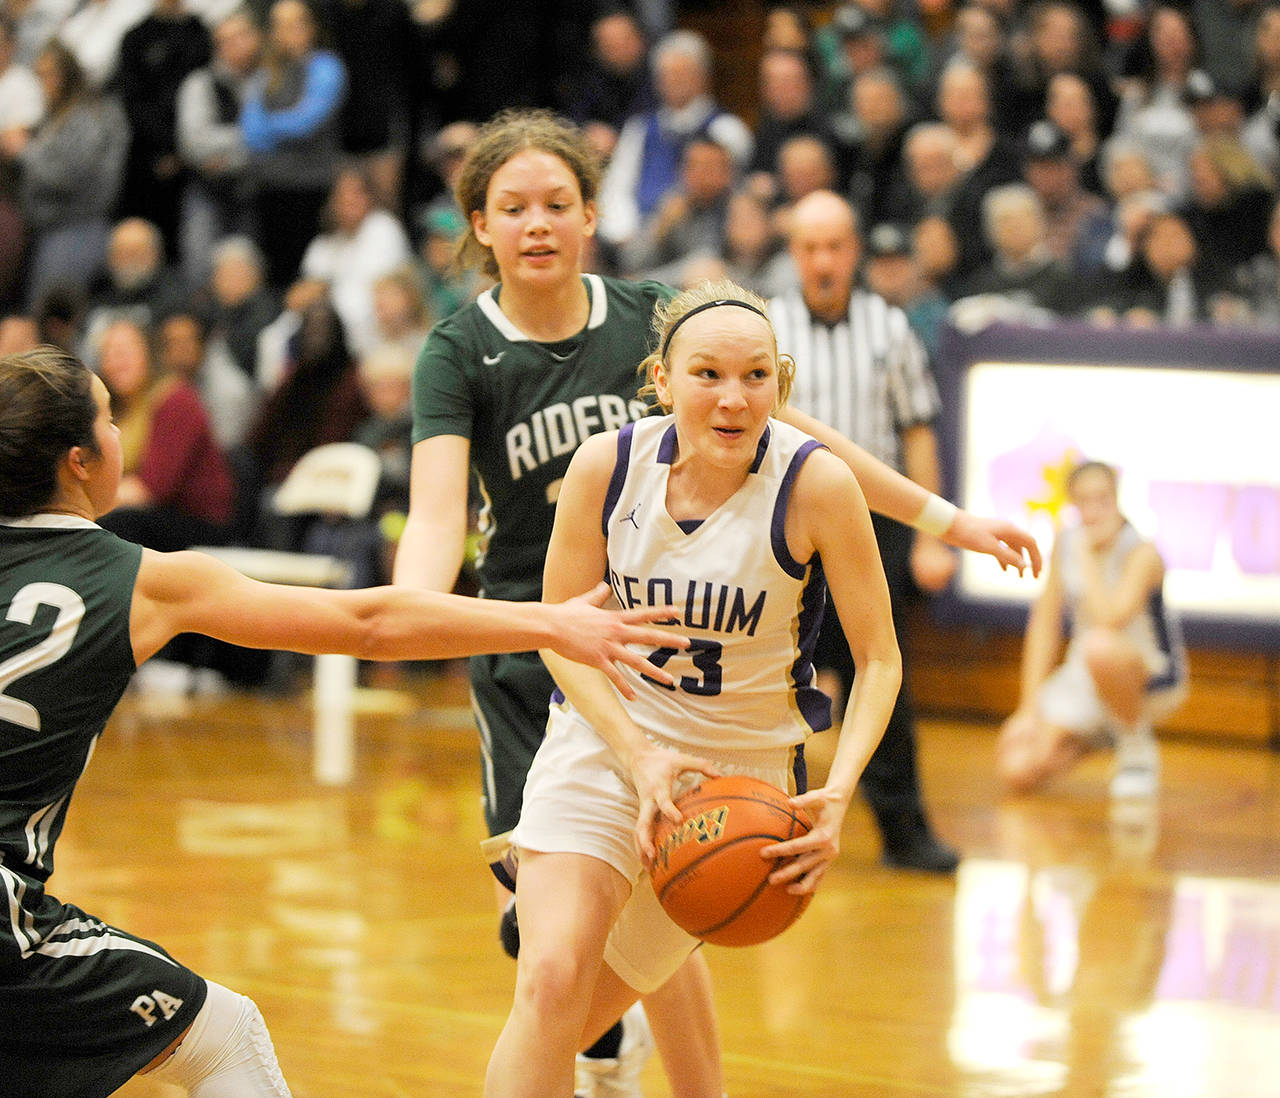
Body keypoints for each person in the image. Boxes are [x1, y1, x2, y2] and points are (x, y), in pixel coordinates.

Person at [396, 108, 1039, 1098]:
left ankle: (644, 1069)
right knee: (548, 966)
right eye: (512, 206)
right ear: (477, 223)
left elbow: (807, 438)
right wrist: (408, 608)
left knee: (664, 924)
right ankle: (599, 1056)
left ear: (591, 215)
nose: (536, 224)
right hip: (551, 651)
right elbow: (437, 515)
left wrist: (944, 521)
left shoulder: (674, 327)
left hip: (726, 737)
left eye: (556, 203)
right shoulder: (474, 367)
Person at [0, 344, 691, 1098]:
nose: (119, 432)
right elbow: (368, 622)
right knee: (225, 1038)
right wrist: (548, 623)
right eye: (108, 418)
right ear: (79, 460)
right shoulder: (143, 579)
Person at [484, 279, 902, 1098]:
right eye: (706, 374)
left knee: (577, 1018)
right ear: (662, 380)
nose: (732, 397)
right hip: (608, 743)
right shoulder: (607, 467)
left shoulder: (817, 486)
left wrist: (840, 792)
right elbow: (559, 635)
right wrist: (639, 754)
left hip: (737, 785)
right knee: (549, 984)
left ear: (779, 385)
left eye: (754, 377)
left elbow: (880, 657)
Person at [768, 190, 960, 873]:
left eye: (835, 246)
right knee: (768, 683)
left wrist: (932, 535)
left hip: (870, 531)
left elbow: (916, 430)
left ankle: (906, 833)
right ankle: (764, 830)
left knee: (885, 680)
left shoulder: (889, 328)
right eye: (809, 247)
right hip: (780, 529)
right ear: (794, 253)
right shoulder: (766, 325)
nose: (822, 260)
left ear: (854, 251)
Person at [997, 460, 1186, 799]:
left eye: (1103, 499)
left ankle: (1135, 747)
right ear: (1073, 504)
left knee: (1099, 645)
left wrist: (1085, 555)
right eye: (1084, 501)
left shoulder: (1141, 552)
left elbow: (1109, 619)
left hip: (1145, 676)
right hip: (1086, 673)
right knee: (1017, 767)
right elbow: (1044, 624)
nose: (1095, 510)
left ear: (1117, 499)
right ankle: (1103, 736)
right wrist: (1027, 710)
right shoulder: (1066, 544)